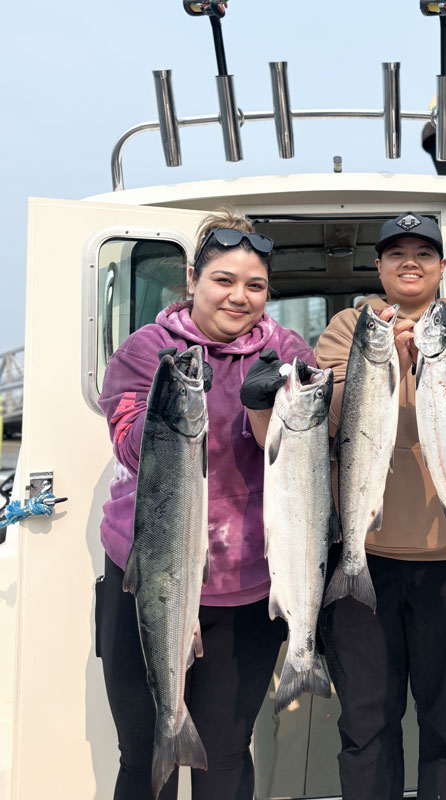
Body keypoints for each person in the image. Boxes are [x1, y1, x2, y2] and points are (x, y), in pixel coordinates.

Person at [96, 208, 316, 799]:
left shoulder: (289, 352)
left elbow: (306, 457)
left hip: (244, 590)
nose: (239, 297)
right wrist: (171, 404)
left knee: (223, 756)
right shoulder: (148, 352)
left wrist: (267, 406)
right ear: (192, 278)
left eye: (255, 286)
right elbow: (130, 444)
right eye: (223, 280)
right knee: (144, 753)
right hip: (150, 581)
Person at [313, 213, 446, 800]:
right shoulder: (351, 326)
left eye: (424, 251)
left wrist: (426, 362)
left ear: (444, 266)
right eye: (396, 253)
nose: (410, 262)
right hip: (361, 560)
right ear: (379, 267)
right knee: (365, 724)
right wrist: (384, 364)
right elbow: (327, 420)